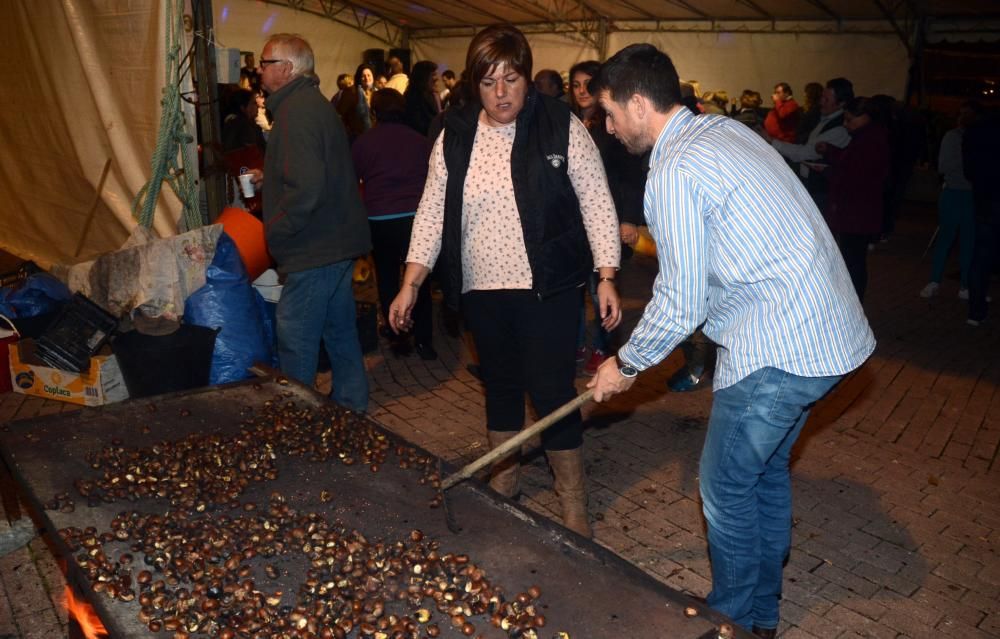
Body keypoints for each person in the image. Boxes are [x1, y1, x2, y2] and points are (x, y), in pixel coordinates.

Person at [587, 44, 875, 637]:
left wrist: (627, 364)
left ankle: (734, 619)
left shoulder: (673, 170)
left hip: (781, 345)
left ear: (639, 104)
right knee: (761, 474)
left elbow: (681, 297)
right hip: (822, 332)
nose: (607, 128)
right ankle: (760, 616)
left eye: (611, 113)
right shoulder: (720, 130)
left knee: (723, 490)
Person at [389, 25, 622, 539]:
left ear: (527, 78)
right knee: (500, 387)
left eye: (511, 79)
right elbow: (431, 211)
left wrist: (606, 274)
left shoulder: (559, 124)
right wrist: (410, 281)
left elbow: (597, 201)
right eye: (489, 81)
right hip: (481, 289)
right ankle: (505, 480)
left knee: (552, 389)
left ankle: (573, 500)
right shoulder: (455, 132)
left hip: (549, 287)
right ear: (474, 83)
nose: (500, 93)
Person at [251, 34, 371, 412]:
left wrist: (278, 230)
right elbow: (308, 171)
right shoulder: (308, 105)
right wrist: (268, 177)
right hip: (335, 242)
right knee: (339, 333)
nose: (259, 69)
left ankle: (300, 418)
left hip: (314, 247)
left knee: (297, 337)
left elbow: (306, 187)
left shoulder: (296, 113)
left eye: (265, 62)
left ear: (286, 69)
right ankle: (351, 406)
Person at [568, 59, 647, 376]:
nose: (581, 90)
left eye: (588, 83)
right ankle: (575, 344)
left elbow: (631, 175)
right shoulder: (566, 123)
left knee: (600, 286)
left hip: (605, 222)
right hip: (572, 225)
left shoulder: (612, 125)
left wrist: (628, 218)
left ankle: (602, 347)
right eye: (575, 85)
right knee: (573, 290)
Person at [352, 88, 436, 360]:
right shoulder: (420, 141)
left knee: (387, 277)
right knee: (418, 281)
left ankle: (395, 329)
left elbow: (354, 181)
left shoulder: (364, 142)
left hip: (379, 219)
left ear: (374, 112)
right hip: (415, 219)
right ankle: (424, 340)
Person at [816, 97, 891, 302]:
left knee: (853, 261)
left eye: (849, 119)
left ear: (865, 117)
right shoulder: (865, 136)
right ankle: (852, 301)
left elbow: (856, 175)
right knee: (852, 259)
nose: (845, 124)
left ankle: (853, 303)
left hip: (857, 212)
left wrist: (828, 173)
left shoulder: (871, 140)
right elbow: (851, 163)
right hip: (858, 211)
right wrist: (831, 153)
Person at [920, 101, 980, 300]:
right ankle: (936, 280)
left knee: (967, 240)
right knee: (948, 238)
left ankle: (963, 284)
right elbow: (944, 166)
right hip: (956, 192)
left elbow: (945, 167)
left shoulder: (972, 138)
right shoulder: (953, 137)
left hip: (966, 194)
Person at [771, 77, 853, 211]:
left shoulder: (839, 128)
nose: (821, 102)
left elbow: (804, 152)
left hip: (821, 188)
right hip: (812, 183)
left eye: (826, 99)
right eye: (822, 97)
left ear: (841, 103)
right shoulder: (824, 118)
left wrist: (772, 141)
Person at [336, 63, 376, 144]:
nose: (366, 78)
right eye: (363, 76)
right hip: (356, 139)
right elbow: (339, 114)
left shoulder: (377, 93)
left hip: (375, 138)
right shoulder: (351, 92)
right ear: (359, 78)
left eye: (369, 75)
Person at [404, 60, 442, 137]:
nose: (436, 78)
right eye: (433, 75)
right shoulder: (413, 99)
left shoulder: (432, 96)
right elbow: (420, 126)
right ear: (423, 77)